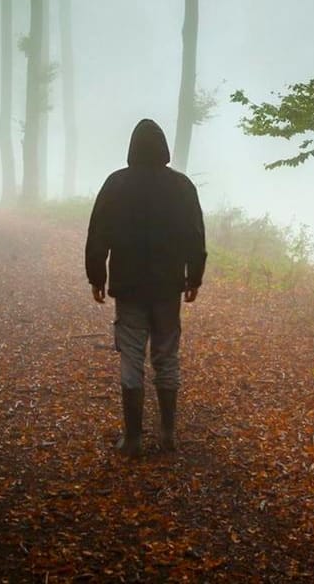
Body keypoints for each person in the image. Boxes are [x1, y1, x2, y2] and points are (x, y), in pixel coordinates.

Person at [85, 118, 206, 457]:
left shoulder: (116, 184)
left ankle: (134, 438)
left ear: (132, 149)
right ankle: (167, 433)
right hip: (168, 286)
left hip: (129, 286)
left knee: (132, 358)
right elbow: (195, 235)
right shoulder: (182, 187)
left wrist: (97, 277)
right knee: (167, 357)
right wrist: (193, 276)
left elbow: (98, 235)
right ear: (164, 149)